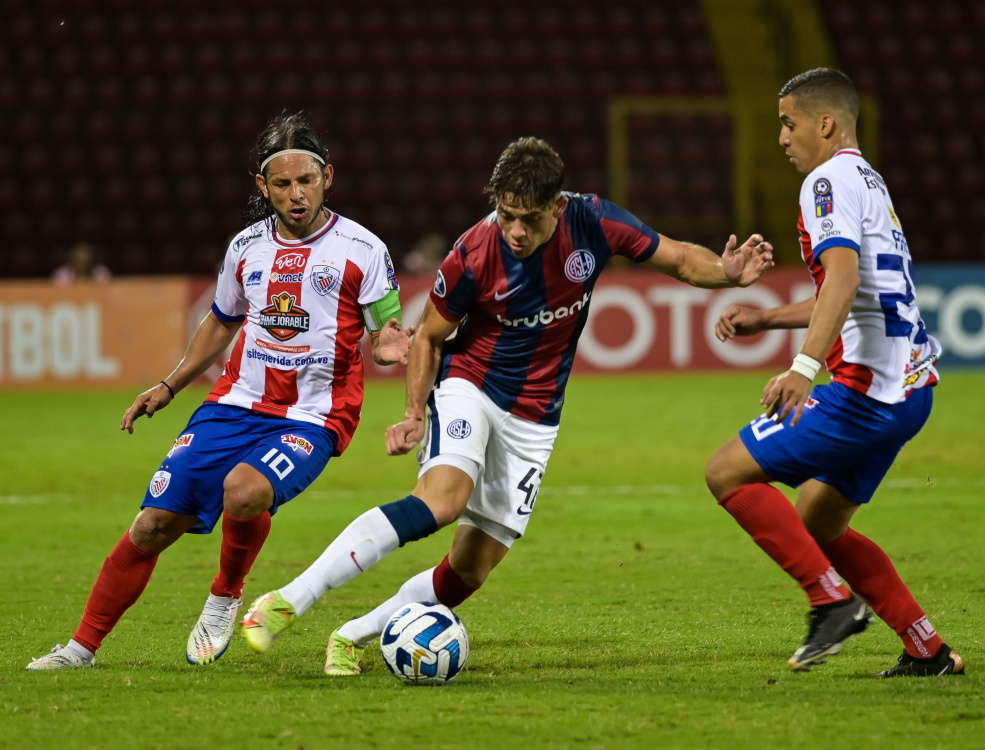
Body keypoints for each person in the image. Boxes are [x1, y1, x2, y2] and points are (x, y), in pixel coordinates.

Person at [240, 136, 775, 675]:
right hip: (469, 384)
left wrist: (725, 274)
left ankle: (353, 634)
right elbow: (427, 336)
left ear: (556, 206)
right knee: (441, 502)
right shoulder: (473, 253)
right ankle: (291, 598)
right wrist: (413, 412)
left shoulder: (593, 222)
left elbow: (681, 258)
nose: (515, 230)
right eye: (506, 214)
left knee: (470, 569)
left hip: (536, 417)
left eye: (529, 218)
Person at [27, 113, 412, 670]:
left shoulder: (364, 249)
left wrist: (389, 347)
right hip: (233, 404)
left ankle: (226, 593)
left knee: (243, 490)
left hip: (313, 415)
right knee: (151, 524)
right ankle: (80, 649)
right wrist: (169, 384)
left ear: (328, 176)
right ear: (263, 187)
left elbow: (385, 331)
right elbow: (220, 321)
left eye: (306, 180)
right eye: (281, 184)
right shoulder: (246, 247)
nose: (296, 194)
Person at [705, 68, 963, 677]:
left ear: (825, 123)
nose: (782, 138)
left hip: (866, 394)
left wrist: (800, 368)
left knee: (727, 473)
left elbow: (843, 280)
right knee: (816, 523)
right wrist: (769, 317)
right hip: (910, 390)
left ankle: (831, 603)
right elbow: (859, 290)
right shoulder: (867, 179)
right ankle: (926, 648)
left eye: (788, 123)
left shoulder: (824, 182)